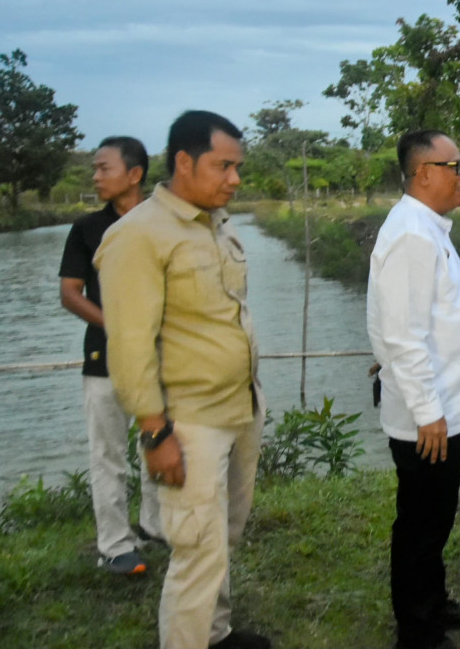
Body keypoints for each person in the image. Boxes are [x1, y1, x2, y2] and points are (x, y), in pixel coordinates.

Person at [96, 111, 269, 649]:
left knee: (223, 538)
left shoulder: (214, 223)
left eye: (237, 167)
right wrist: (155, 432)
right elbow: (128, 347)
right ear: (183, 162)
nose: (234, 180)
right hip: (189, 423)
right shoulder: (138, 236)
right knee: (197, 550)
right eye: (223, 166)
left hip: (239, 409)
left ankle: (213, 634)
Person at [368, 129, 460, 649]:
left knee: (436, 515)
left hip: (446, 406)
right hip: (430, 415)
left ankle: (433, 601)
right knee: (421, 520)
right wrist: (428, 412)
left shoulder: (427, 227)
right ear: (424, 173)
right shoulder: (410, 236)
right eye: (455, 166)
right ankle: (416, 630)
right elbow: (401, 334)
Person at [59, 136, 163, 575]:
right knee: (108, 454)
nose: (96, 177)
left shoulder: (166, 223)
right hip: (105, 358)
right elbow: (69, 293)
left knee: (159, 443)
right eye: (95, 169)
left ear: (135, 174)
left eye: (104, 168)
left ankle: (156, 527)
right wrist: (118, 327)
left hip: (162, 357)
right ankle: (116, 545)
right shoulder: (86, 228)